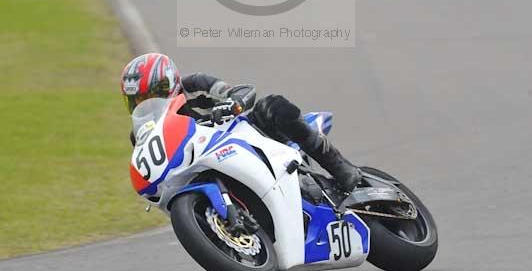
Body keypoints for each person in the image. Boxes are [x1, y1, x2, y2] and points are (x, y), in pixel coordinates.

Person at [121, 52, 361, 193]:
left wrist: (232, 103)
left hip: (244, 136)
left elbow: (239, 91)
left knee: (275, 106)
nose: (147, 103)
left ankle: (340, 167)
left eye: (150, 95)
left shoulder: (195, 85)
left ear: (167, 85)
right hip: (205, 164)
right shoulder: (145, 135)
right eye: (138, 100)